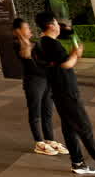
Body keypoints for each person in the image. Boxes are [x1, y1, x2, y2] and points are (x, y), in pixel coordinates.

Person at [33, 12, 95, 177]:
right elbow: (66, 64)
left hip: (57, 91)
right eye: (56, 23)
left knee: (69, 128)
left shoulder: (40, 44)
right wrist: (76, 53)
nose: (58, 26)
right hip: (67, 92)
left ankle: (78, 163)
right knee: (84, 128)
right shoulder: (52, 44)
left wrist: (70, 43)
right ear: (51, 25)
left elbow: (54, 64)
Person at [13, 18, 65, 157]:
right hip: (34, 83)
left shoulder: (35, 43)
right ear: (18, 31)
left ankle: (50, 139)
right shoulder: (18, 44)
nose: (30, 30)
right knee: (35, 113)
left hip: (46, 80)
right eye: (26, 28)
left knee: (47, 112)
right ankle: (39, 142)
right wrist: (21, 37)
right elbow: (26, 55)